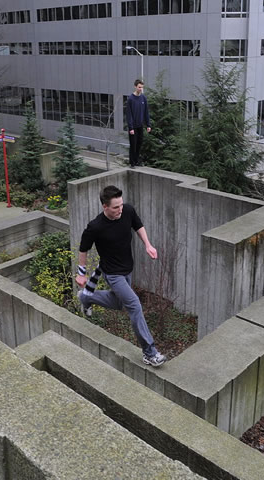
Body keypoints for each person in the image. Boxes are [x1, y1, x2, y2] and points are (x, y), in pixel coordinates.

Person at [76, 185, 166, 367]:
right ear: (105, 207)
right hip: (112, 273)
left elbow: (138, 225)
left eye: (121, 205)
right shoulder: (95, 227)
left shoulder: (128, 211)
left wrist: (148, 245)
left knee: (118, 304)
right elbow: (83, 249)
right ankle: (150, 353)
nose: (120, 210)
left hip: (127, 269)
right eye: (116, 207)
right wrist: (81, 273)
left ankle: (87, 297)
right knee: (134, 305)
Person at [126, 79, 151, 168]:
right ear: (135, 86)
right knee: (133, 144)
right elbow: (129, 114)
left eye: (142, 87)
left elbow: (146, 112)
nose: (141, 89)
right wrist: (131, 127)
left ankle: (137, 161)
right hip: (133, 127)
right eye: (139, 87)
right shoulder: (130, 99)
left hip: (140, 126)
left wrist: (148, 125)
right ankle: (132, 163)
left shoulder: (143, 98)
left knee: (139, 143)